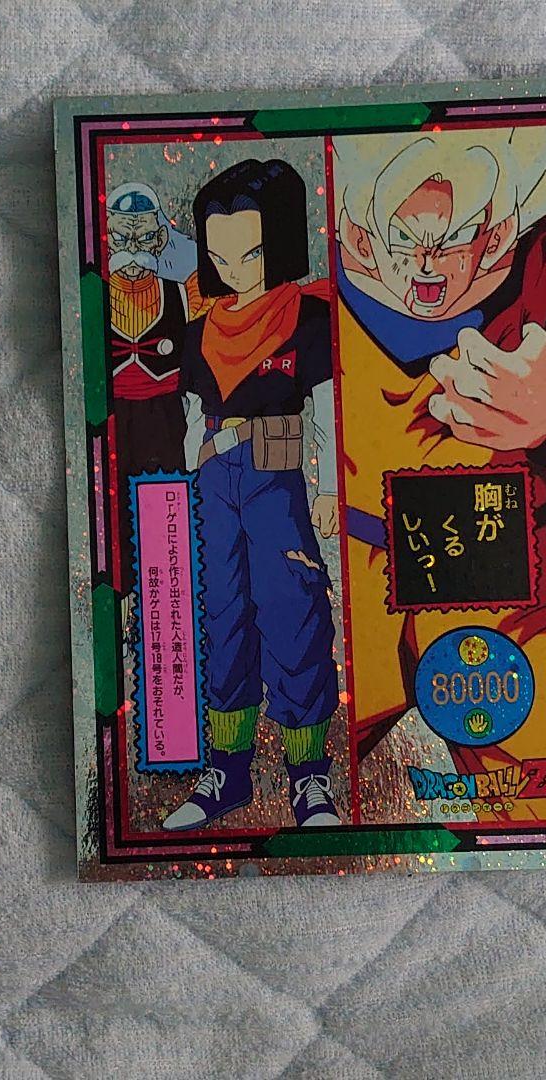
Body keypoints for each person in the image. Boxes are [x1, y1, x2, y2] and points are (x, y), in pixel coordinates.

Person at [332, 127, 546, 824]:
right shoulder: (313, 296)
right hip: (347, 572)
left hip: (504, 569)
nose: (425, 263)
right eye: (403, 241)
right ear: (360, 239)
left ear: (494, 236)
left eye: (448, 242)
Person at [161, 159, 341, 831]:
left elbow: (327, 407)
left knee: (293, 612)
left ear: (282, 243)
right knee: (222, 617)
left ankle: (309, 777)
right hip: (213, 481)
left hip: (278, 474)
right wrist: (189, 482)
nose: (235, 269)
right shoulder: (199, 331)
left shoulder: (309, 317)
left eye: (251, 253)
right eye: (220, 256)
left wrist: (331, 487)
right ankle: (226, 771)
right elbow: (189, 415)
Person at [104, 182, 209, 622]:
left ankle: (163, 614)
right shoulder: (93, 297)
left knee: (162, 519)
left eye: (144, 237)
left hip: (165, 423)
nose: (132, 250)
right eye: (121, 238)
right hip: (111, 425)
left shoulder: (182, 295)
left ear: (161, 237)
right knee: (110, 524)